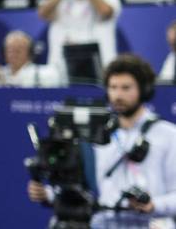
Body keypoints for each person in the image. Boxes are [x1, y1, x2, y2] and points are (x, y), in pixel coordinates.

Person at [28, 55, 176, 225]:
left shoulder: (169, 135)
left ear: (144, 90)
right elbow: (83, 188)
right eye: (113, 87)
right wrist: (48, 194)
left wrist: (154, 206)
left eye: (126, 88)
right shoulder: (97, 133)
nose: (118, 95)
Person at [39, 0, 122, 81]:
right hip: (62, 72)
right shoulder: (62, 2)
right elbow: (43, 13)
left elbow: (105, 11)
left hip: (101, 71)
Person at [0, 30, 64, 88]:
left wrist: (4, 85)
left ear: (30, 53)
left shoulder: (44, 73)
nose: (13, 54)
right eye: (9, 50)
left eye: (18, 50)